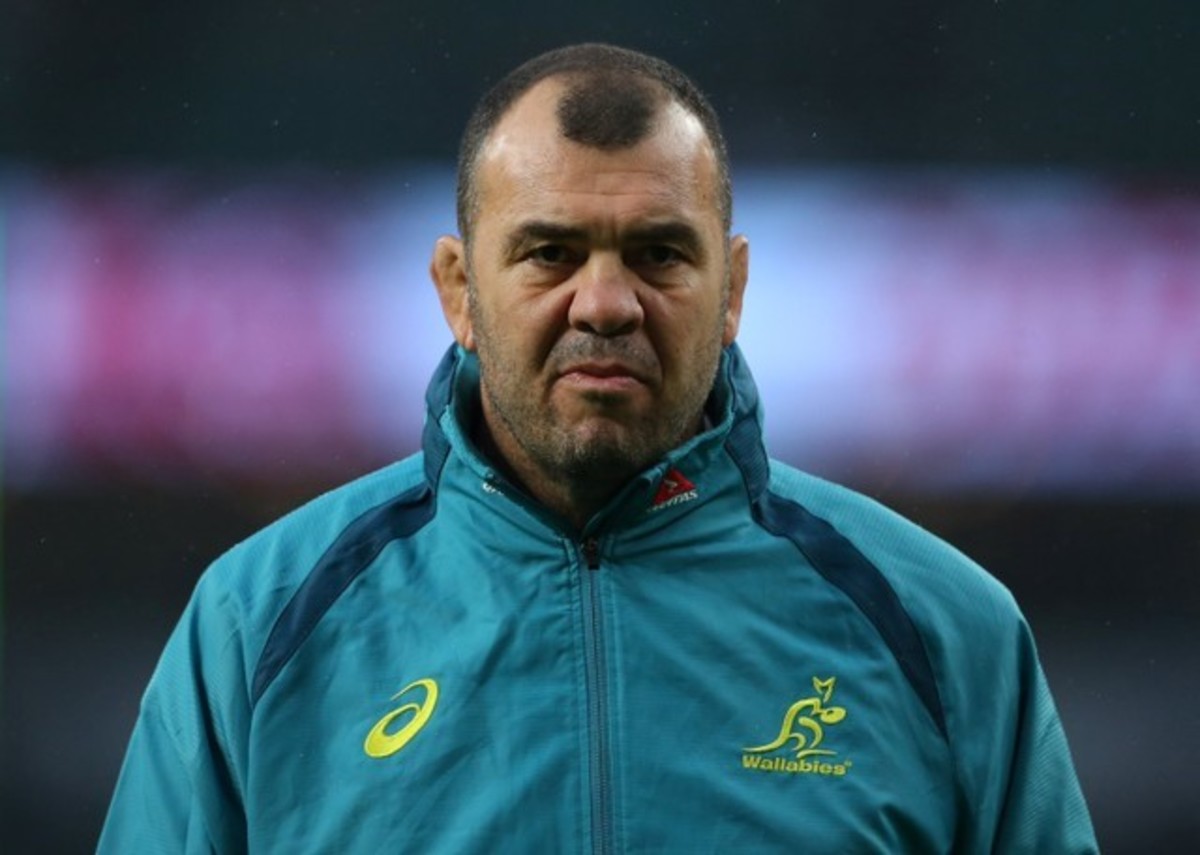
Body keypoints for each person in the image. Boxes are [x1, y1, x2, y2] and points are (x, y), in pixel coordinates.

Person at [99, 43, 1098, 853]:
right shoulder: (259, 622)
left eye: (659, 253)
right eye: (551, 253)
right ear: (458, 289)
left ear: (733, 290)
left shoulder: (942, 630)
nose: (607, 303)